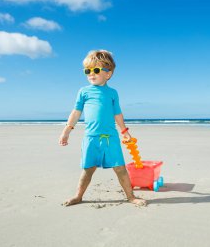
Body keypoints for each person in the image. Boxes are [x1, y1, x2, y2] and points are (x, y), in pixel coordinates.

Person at [59, 50, 146, 207]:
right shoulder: (84, 91)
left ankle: (130, 196)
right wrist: (67, 131)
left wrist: (125, 132)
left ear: (108, 74)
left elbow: (117, 113)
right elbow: (76, 112)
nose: (91, 74)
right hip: (91, 138)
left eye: (96, 70)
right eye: (88, 71)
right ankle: (78, 196)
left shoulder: (112, 93)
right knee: (88, 169)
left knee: (120, 168)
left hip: (110, 138)